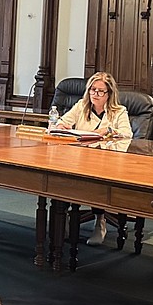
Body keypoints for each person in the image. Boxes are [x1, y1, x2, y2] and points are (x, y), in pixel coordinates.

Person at [53, 72, 133, 246]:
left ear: (109, 94)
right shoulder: (81, 105)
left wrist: (108, 131)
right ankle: (64, 218)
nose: (95, 94)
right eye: (92, 90)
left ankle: (100, 221)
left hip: (107, 161)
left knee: (97, 183)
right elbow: (61, 122)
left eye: (100, 91)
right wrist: (62, 125)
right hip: (80, 159)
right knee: (63, 178)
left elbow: (127, 134)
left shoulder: (119, 111)